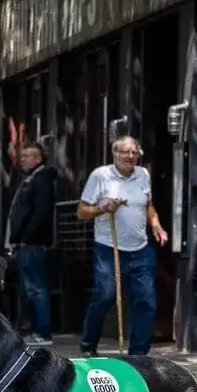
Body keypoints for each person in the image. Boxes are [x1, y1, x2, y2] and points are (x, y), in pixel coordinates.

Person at [76, 135, 168, 357]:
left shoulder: (143, 175)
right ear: (115, 154)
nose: (130, 156)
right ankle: (88, 345)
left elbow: (147, 204)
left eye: (134, 152)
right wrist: (102, 208)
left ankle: (138, 354)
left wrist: (156, 225)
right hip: (109, 247)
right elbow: (81, 211)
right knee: (106, 295)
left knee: (145, 300)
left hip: (140, 248)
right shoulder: (101, 176)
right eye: (125, 152)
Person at [5, 141, 58, 346]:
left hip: (33, 242)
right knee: (29, 288)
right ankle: (35, 329)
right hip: (25, 242)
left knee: (36, 287)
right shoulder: (29, 179)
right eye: (23, 155)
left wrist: (26, 235)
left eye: (28, 155)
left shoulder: (41, 179)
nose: (23, 159)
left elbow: (41, 211)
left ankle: (42, 332)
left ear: (38, 158)